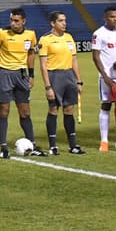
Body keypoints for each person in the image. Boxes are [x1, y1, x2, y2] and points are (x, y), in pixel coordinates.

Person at [0, 8, 41, 158]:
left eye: (16, 21)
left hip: (22, 75)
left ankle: (32, 144)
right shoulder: (1, 33)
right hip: (5, 74)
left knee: (25, 112)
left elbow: (31, 55)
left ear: (23, 21)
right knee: (4, 111)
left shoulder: (30, 35)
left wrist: (31, 75)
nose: (13, 23)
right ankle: (3, 146)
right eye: (11, 20)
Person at [37, 11, 84, 155]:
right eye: (61, 21)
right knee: (54, 110)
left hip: (69, 76)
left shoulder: (69, 38)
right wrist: (48, 86)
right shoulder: (45, 40)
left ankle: (73, 145)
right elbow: (43, 65)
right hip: (54, 76)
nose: (64, 23)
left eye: (65, 20)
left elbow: (74, 60)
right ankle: (53, 146)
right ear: (53, 23)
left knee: (69, 110)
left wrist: (79, 80)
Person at [91, 6, 116, 153]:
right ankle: (104, 140)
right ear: (105, 18)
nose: (114, 19)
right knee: (106, 106)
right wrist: (105, 77)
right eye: (111, 17)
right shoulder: (99, 34)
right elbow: (95, 56)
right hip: (107, 77)